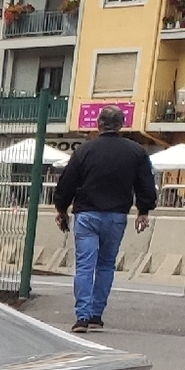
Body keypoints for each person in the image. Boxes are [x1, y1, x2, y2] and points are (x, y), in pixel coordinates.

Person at [52, 106, 156, 333]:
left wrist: (61, 208)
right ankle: (96, 315)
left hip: (87, 215)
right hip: (117, 216)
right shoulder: (136, 152)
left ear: (98, 124)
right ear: (122, 124)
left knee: (85, 266)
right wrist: (143, 210)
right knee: (106, 265)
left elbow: (67, 182)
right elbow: (145, 183)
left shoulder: (85, 151)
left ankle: (82, 316)